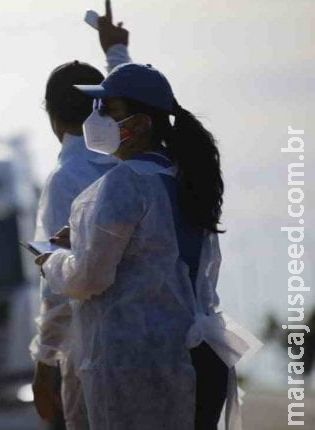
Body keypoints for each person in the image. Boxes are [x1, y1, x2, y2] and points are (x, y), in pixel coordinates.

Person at [35, 63, 261, 429]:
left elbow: (89, 279)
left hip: (138, 366)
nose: (98, 117)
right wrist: (82, 239)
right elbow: (152, 251)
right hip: (195, 358)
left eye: (109, 109)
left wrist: (53, 261)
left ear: (139, 125)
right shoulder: (182, 178)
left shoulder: (124, 183)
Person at [29, 1, 131, 428]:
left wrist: (46, 361)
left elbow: (62, 289)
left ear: (51, 117)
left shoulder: (67, 178)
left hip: (99, 360)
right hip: (173, 350)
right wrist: (117, 52)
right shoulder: (142, 159)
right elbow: (151, 103)